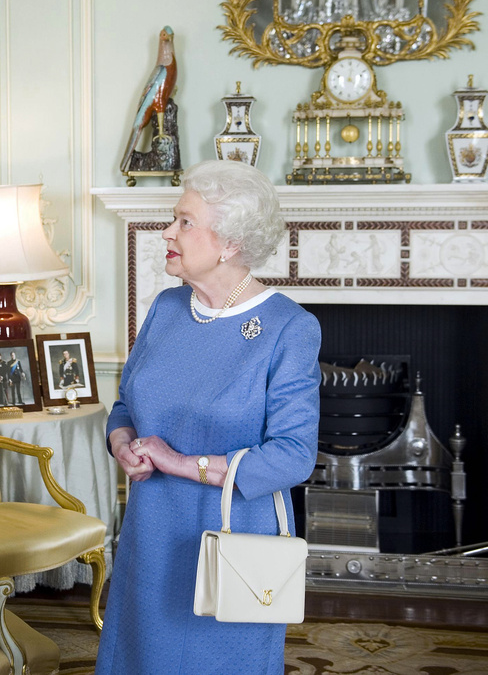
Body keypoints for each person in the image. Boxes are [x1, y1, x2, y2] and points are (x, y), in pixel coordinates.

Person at [95, 160, 321, 674]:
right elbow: (126, 406)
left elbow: (293, 456)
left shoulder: (289, 327)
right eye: (173, 220)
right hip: (151, 531)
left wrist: (177, 461)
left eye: (185, 222)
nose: (168, 232)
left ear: (231, 243)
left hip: (232, 540)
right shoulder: (167, 308)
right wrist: (123, 442)